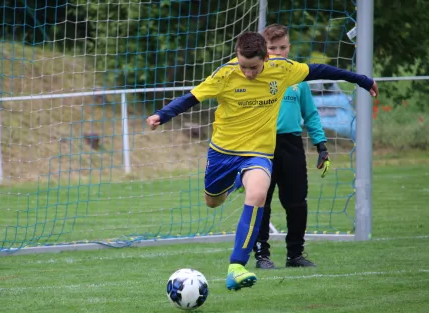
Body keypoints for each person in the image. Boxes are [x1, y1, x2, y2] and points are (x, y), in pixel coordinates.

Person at [146, 31, 377, 291]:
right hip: (223, 152)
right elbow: (191, 98)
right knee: (212, 201)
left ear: (266, 58)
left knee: (257, 194)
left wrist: (361, 79)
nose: (247, 73)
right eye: (243, 66)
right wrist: (161, 115)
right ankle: (233, 183)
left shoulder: (283, 69)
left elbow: (320, 70)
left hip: (258, 153)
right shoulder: (225, 74)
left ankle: (237, 267)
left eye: (253, 67)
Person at [253, 24, 330, 270]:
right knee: (260, 200)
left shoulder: (298, 77)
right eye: (272, 48)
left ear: (289, 47)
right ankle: (261, 255)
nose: (277, 52)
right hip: (262, 146)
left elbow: (311, 114)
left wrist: (321, 145)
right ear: (264, 50)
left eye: (282, 47)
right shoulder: (255, 75)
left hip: (292, 145)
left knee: (297, 201)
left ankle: (294, 254)